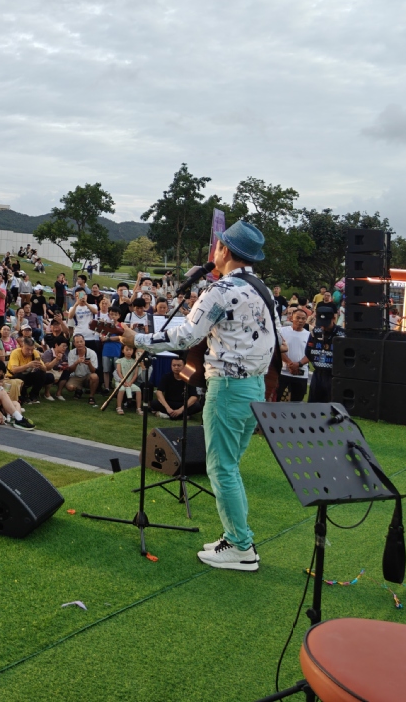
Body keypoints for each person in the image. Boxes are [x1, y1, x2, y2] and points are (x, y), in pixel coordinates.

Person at [121, 220, 275, 572]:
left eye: (218, 245)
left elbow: (186, 337)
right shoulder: (261, 289)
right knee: (230, 467)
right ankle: (237, 537)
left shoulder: (220, 291)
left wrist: (138, 340)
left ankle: (241, 546)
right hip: (254, 386)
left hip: (228, 388)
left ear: (224, 250)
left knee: (221, 469)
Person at [150, 356, 204, 420]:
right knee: (154, 403)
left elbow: (194, 397)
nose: (176, 367)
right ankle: (182, 416)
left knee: (197, 406)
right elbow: (159, 392)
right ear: (171, 366)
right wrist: (167, 408)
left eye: (179, 365)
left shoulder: (189, 378)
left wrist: (180, 410)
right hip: (169, 403)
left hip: (183, 404)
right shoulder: (166, 377)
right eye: (174, 365)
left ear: (184, 366)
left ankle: (168, 415)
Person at [278, 309, 311, 402]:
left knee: (297, 402)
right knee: (276, 399)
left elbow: (310, 354)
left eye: (303, 318)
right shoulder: (282, 331)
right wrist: (290, 363)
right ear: (292, 318)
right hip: (283, 371)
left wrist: (299, 364)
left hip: (300, 373)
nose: (300, 320)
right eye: (298, 318)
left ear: (306, 320)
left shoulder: (309, 335)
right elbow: (278, 349)